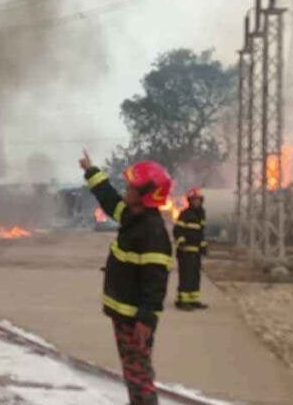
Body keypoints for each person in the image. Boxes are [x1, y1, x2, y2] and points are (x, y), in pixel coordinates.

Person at [79, 151, 172, 405]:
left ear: (146, 194)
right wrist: (91, 171)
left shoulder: (152, 231)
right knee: (134, 373)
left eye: (132, 186)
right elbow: (109, 200)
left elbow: (156, 282)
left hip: (134, 320)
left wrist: (145, 318)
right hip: (125, 316)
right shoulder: (133, 217)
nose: (127, 189)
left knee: (138, 376)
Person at [174, 187, 208, 310]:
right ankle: (182, 301)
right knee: (186, 276)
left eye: (198, 200)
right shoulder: (185, 214)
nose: (196, 202)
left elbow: (201, 233)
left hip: (196, 252)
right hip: (185, 251)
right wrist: (181, 242)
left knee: (195, 276)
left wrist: (203, 246)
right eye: (194, 200)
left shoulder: (201, 214)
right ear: (189, 201)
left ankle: (194, 300)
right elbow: (177, 230)